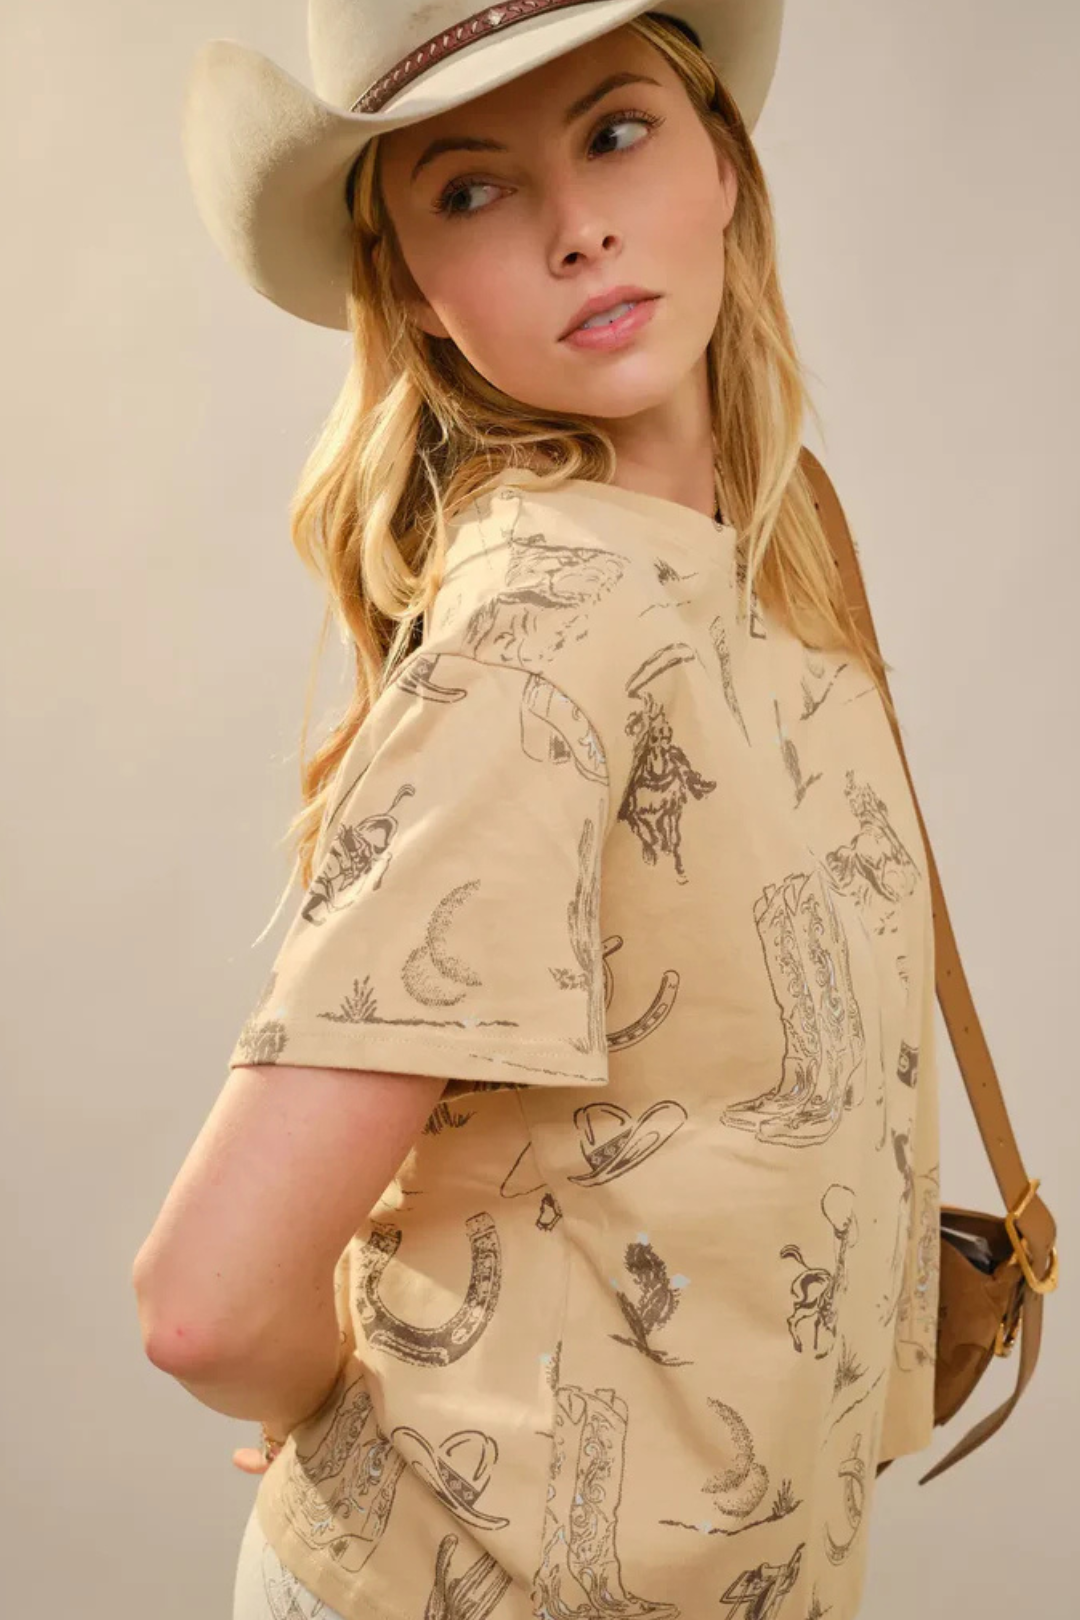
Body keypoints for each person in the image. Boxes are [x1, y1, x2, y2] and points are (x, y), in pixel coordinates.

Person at [134, 5, 941, 1619]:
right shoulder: (543, 627)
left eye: (618, 134)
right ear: (419, 301)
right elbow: (206, 1303)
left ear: (722, 163)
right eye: (472, 190)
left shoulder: (772, 578)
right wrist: (338, 1419)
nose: (579, 229)